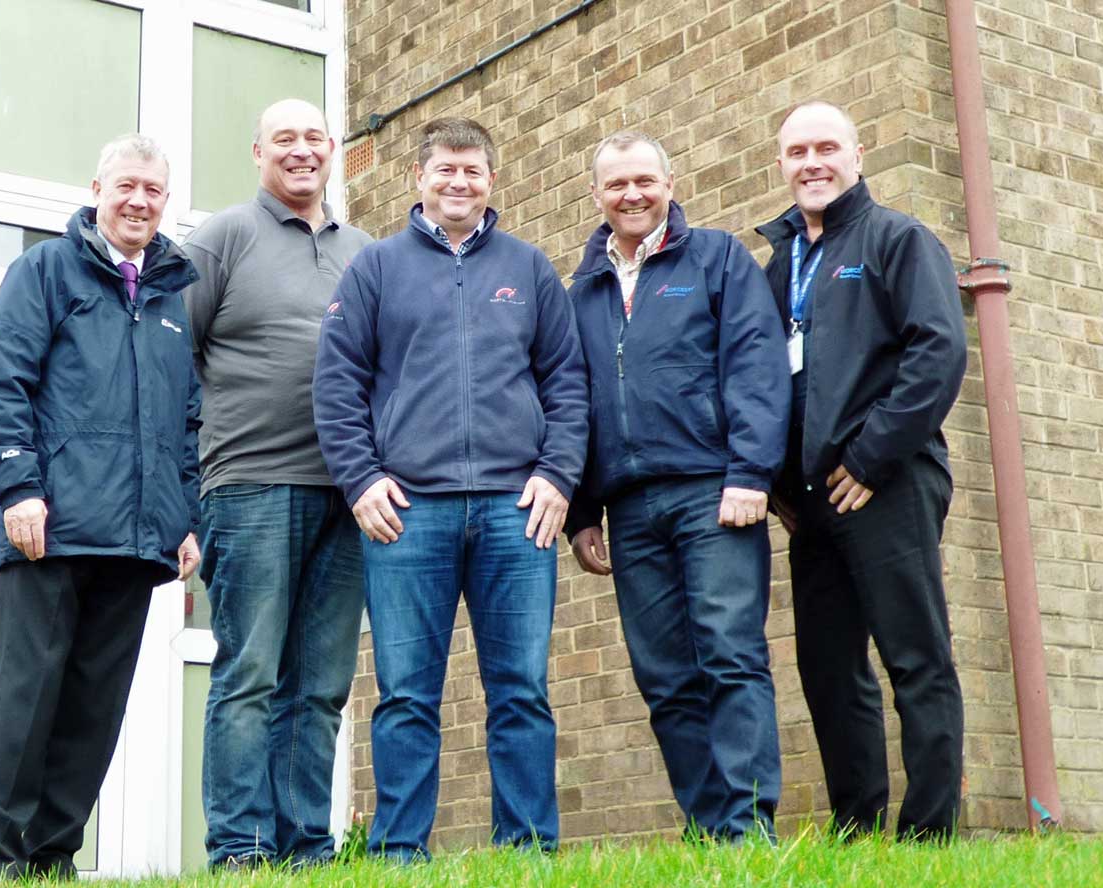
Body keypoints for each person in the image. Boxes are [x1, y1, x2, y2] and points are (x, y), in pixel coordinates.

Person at [312, 117, 588, 861]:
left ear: (491, 180)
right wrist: (361, 480)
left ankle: (528, 851)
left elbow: (567, 382)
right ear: (419, 177)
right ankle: (400, 855)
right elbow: (337, 386)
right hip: (409, 514)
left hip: (515, 512)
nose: (458, 183)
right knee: (405, 696)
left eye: (472, 170)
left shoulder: (529, 269)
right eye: (444, 170)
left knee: (521, 692)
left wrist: (558, 475)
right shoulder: (375, 269)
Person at [0, 134, 202, 881]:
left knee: (93, 712)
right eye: (126, 185)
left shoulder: (171, 297)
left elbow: (188, 420)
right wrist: (17, 488)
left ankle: (52, 858)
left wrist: (187, 515)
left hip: (136, 542)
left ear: (166, 202)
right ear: (96, 186)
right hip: (52, 529)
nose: (138, 201)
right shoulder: (43, 271)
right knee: (23, 703)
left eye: (153, 191)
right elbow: (0, 385)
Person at [563, 131, 790, 841]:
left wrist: (751, 472)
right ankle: (707, 823)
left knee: (729, 653)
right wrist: (580, 512)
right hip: (628, 508)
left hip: (713, 492)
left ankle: (749, 826)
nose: (631, 195)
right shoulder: (583, 288)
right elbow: (571, 402)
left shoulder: (717, 258)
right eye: (616, 184)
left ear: (670, 181)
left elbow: (756, 368)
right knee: (664, 675)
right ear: (596, 195)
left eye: (644, 181)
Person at [756, 100, 967, 840]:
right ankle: (856, 829)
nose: (811, 163)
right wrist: (779, 484)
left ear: (858, 153)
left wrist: (872, 458)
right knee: (828, 667)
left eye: (826, 147)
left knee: (916, 658)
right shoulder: (780, 262)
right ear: (780, 164)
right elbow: (767, 381)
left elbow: (937, 353)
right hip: (812, 501)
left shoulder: (896, 239)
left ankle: (929, 833)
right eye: (795, 151)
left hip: (888, 482)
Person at [181, 98, 373, 870]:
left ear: (332, 152)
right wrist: (187, 490)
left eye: (314, 138)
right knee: (251, 673)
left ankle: (305, 847)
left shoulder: (366, 250)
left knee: (321, 684)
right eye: (284, 139)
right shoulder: (223, 238)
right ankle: (239, 849)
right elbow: (175, 363)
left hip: (351, 495)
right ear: (257, 151)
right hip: (249, 484)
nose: (301, 151)